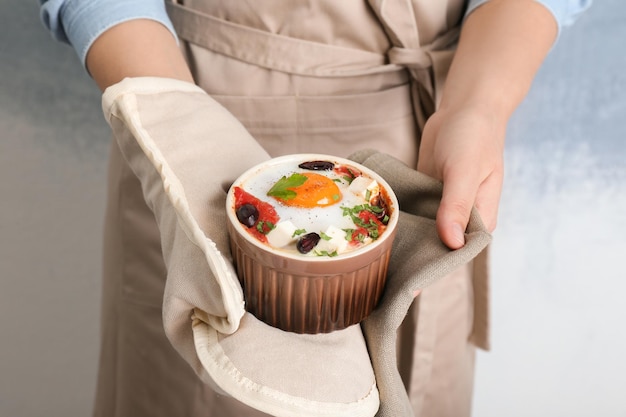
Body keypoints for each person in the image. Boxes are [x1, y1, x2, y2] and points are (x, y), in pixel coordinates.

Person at [40, 0, 591, 416]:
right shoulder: (180, 134)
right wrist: (173, 122)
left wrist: (479, 105)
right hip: (187, 102)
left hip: (433, 130)